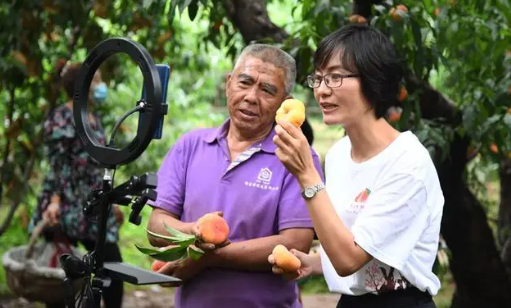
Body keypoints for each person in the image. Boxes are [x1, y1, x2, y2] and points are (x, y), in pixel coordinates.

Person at [270, 24, 444, 308]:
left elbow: (349, 259)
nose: (322, 91)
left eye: (336, 77)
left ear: (374, 81)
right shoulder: (339, 154)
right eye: (319, 79)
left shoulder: (408, 163)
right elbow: (354, 245)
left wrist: (306, 175)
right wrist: (312, 263)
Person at [146, 43, 324, 308]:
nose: (252, 97)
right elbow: (156, 226)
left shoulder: (296, 156)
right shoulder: (191, 145)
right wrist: (196, 231)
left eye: (267, 90)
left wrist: (209, 256)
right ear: (229, 83)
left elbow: (295, 243)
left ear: (284, 103)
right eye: (245, 82)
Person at [28, 60, 125, 308]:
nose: (102, 86)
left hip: (92, 203)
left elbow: (100, 164)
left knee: (112, 270)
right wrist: (55, 201)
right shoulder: (61, 118)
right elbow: (57, 165)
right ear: (85, 85)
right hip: (67, 204)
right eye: (97, 80)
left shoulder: (93, 117)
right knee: (63, 277)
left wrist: (111, 201)